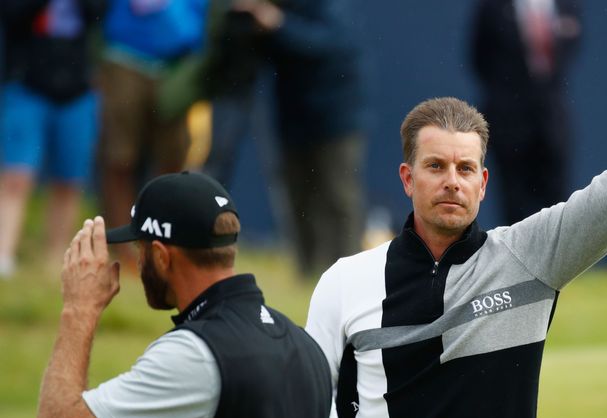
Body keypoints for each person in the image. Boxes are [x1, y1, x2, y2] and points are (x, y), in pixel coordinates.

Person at [305, 20, 607, 418]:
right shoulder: (345, 282)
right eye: (435, 166)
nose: (451, 182)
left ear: (483, 183)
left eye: (465, 169)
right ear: (407, 178)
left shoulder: (528, 257)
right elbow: (305, 409)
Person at [36, 172, 332, 418]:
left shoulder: (194, 355)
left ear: (162, 257)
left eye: (140, 248)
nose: (138, 263)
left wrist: (79, 309)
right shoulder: (304, 344)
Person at [209, 0, 368, 277]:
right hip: (293, 117)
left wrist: (278, 23)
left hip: (336, 116)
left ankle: (348, 274)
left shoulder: (329, 7)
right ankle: (307, 273)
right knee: (297, 197)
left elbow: (328, 43)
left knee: (338, 197)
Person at [96, 0, 208, 267]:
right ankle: (122, 249)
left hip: (179, 63)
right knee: (119, 158)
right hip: (125, 55)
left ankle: (161, 247)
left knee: (173, 165)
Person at [0, 0, 106, 277]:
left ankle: (56, 260)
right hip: (26, 84)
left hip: (77, 89)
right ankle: (4, 256)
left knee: (69, 182)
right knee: (16, 177)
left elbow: (98, 14)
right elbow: (13, 15)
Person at [471, 0, 582, 224]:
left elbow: (573, 46)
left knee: (557, 198)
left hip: (552, 118)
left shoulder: (567, 5)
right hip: (508, 119)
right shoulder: (492, 7)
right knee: (514, 200)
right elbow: (478, 58)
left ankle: (558, 257)